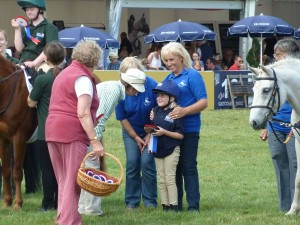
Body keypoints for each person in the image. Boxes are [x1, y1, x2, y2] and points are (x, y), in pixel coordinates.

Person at [45, 40, 104, 225]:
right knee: (72, 183)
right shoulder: (83, 78)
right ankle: (70, 222)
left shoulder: (63, 74)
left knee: (63, 180)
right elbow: (83, 112)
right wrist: (95, 140)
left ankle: (62, 219)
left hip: (52, 130)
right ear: (95, 60)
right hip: (71, 132)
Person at [78, 67, 147, 216]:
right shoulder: (114, 92)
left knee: (85, 170)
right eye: (136, 89)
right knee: (92, 169)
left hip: (84, 131)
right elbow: (99, 119)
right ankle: (92, 210)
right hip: (89, 132)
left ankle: (82, 207)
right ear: (129, 85)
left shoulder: (113, 87)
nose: (136, 93)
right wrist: (95, 142)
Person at [11, 0, 59, 194]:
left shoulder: (50, 27)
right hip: (23, 63)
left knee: (42, 84)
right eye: (26, 9)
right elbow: (19, 49)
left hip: (42, 64)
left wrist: (35, 63)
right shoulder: (27, 28)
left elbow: (51, 49)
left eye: (31, 8)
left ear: (40, 10)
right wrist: (16, 30)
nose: (28, 11)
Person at [160, 42, 208, 211]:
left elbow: (203, 102)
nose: (168, 63)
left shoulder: (192, 76)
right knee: (175, 169)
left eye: (171, 59)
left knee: (188, 166)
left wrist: (185, 111)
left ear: (181, 57)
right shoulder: (168, 79)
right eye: (165, 60)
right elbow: (162, 103)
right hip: (172, 131)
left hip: (190, 129)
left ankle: (193, 205)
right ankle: (176, 204)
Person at [259, 38, 299, 212]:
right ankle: (284, 206)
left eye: (279, 56)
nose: (276, 60)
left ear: (291, 56)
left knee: (295, 165)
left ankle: (295, 204)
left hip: (293, 127)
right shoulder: (275, 76)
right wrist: (265, 126)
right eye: (275, 56)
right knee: (279, 162)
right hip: (275, 125)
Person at [115, 57, 158, 210]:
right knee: (132, 162)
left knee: (147, 162)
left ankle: (150, 200)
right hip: (130, 131)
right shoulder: (120, 90)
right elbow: (122, 117)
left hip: (152, 130)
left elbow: (159, 110)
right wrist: (135, 137)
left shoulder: (152, 85)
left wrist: (149, 133)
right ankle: (132, 201)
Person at [27, 41, 65, 211]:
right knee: (62, 169)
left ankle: (48, 203)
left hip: (46, 131)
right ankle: (61, 202)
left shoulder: (43, 79)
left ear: (46, 58)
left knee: (47, 169)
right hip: (65, 130)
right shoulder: (66, 76)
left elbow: (30, 102)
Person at [149, 80, 184, 212]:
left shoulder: (176, 111)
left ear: (172, 97)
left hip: (171, 149)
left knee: (170, 178)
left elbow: (180, 135)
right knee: (161, 178)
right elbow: (152, 128)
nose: (159, 98)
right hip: (158, 149)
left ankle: (174, 206)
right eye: (158, 96)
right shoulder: (154, 111)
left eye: (162, 95)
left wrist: (164, 132)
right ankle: (165, 205)